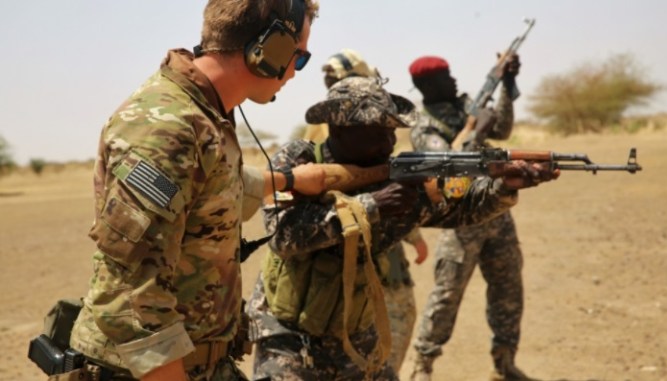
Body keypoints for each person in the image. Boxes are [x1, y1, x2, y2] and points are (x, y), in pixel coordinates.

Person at [67, 1, 322, 381]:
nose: (295, 73)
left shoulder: (206, 114)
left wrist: (290, 181)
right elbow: (128, 295)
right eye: (298, 58)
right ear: (270, 48)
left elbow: (216, 187)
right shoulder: (166, 127)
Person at [246, 76, 559, 381]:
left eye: (392, 132)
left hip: (354, 334)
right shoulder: (298, 161)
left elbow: (461, 211)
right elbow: (283, 236)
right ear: (340, 130)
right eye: (379, 132)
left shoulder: (391, 174)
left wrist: (504, 186)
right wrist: (372, 205)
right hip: (287, 335)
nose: (390, 142)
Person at [407, 55, 533, 381]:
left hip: (497, 211)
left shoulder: (467, 107)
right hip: (460, 219)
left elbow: (502, 129)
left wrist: (505, 86)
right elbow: (447, 164)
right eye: (445, 76)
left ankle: (504, 365)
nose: (454, 80)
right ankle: (422, 366)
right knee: (447, 296)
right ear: (427, 85)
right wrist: (476, 132)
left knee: (508, 291)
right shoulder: (424, 127)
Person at [307, 48, 430, 373]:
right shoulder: (338, 131)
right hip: (367, 257)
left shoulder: (322, 127)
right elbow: (375, 189)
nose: (388, 141)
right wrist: (413, 234)